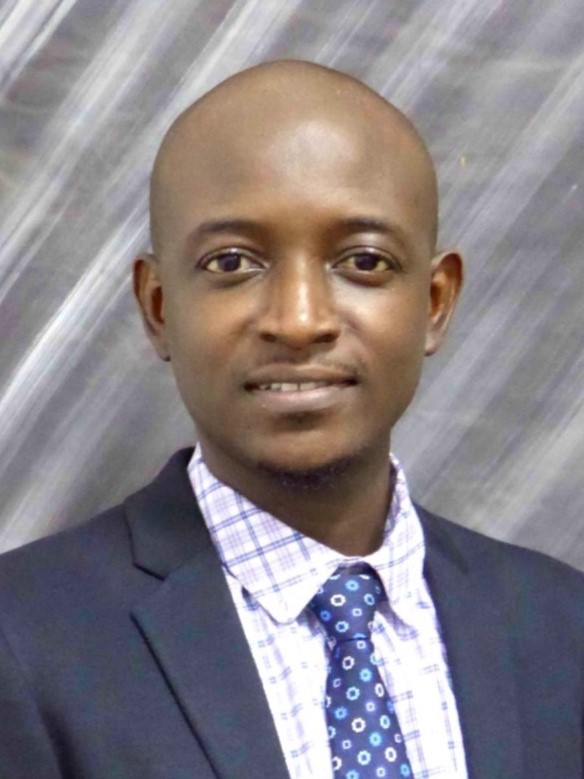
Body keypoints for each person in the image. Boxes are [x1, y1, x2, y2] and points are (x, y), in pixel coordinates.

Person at [0, 60, 582, 779]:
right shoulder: (22, 642)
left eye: (364, 260)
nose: (300, 320)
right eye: (232, 262)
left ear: (434, 303)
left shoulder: (564, 629)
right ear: (158, 307)